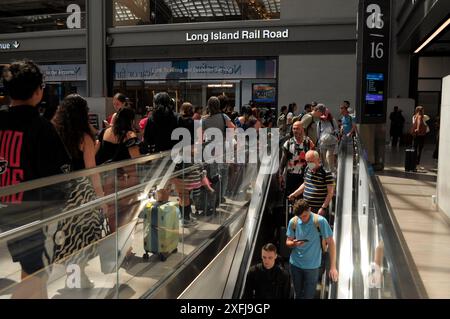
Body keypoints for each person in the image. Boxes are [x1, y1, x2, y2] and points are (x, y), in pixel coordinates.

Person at [0, 60, 72, 298]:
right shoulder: (41, 128)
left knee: (31, 272)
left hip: (7, 210)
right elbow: (61, 177)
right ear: (38, 91)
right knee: (36, 274)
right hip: (35, 216)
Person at [52, 94, 106, 288]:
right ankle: (78, 277)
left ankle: (71, 277)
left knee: (66, 237)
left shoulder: (54, 132)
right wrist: (101, 197)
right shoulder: (84, 137)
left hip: (59, 192)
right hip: (80, 193)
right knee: (83, 235)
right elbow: (92, 170)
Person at [285, 199, 338, 299]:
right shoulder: (294, 221)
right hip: (295, 265)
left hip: (312, 267)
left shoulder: (320, 221)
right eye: (300, 217)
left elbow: (331, 243)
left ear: (309, 209)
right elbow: (288, 242)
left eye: (305, 216)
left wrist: (333, 267)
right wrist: (294, 243)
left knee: (308, 296)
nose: (303, 219)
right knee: (298, 295)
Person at [288, 150, 334, 217]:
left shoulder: (326, 173)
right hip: (306, 208)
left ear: (318, 160)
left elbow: (330, 193)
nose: (309, 164)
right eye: (307, 161)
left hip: (318, 209)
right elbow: (305, 184)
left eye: (311, 161)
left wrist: (323, 208)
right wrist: (295, 194)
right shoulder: (307, 169)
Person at [279, 121, 315, 199]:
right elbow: (283, 160)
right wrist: (280, 174)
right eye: (294, 129)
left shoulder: (308, 143)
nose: (295, 130)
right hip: (291, 176)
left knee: (302, 198)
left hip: (304, 176)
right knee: (290, 197)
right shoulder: (288, 143)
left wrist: (313, 173)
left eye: (297, 128)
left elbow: (312, 160)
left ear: (302, 129)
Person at [316, 107, 339, 173]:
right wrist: (319, 142)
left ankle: (331, 172)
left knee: (329, 157)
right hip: (323, 144)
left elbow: (337, 129)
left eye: (326, 114)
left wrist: (332, 132)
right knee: (324, 161)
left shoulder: (332, 120)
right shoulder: (319, 123)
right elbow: (318, 134)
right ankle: (327, 173)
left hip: (331, 143)